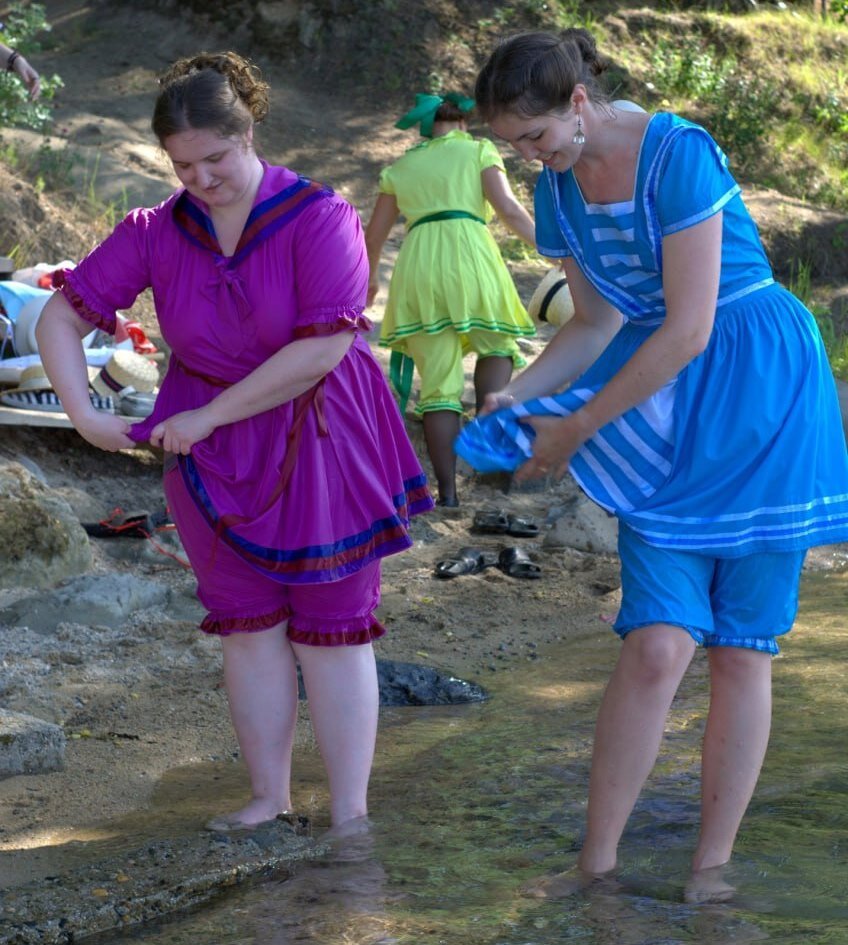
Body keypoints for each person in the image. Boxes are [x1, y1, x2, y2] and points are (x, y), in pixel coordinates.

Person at [465, 29, 848, 899]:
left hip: (757, 389)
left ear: (576, 102)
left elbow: (690, 326)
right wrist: (520, 398)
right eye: (511, 147)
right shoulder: (556, 190)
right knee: (656, 643)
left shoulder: (677, 152)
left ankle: (709, 868)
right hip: (662, 400)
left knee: (743, 649)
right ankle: (594, 864)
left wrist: (579, 427)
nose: (528, 158)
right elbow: (596, 323)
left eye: (533, 137)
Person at [36, 51, 434, 832]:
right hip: (212, 459)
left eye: (215, 158)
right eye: (183, 166)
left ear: (249, 131)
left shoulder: (323, 216)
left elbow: (320, 350)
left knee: (331, 630)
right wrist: (85, 417)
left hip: (322, 441)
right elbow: (60, 315)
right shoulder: (154, 230)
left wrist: (210, 417)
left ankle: (350, 817)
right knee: (247, 628)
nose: (201, 179)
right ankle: (268, 796)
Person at [364, 91, 538, 507]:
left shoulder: (401, 168)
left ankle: (447, 493)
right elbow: (510, 210)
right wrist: (554, 249)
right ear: (462, 122)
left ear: (426, 130)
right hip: (471, 257)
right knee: (496, 346)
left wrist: (368, 282)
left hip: (420, 267)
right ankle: (491, 459)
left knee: (438, 385)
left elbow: (373, 238)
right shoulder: (479, 150)